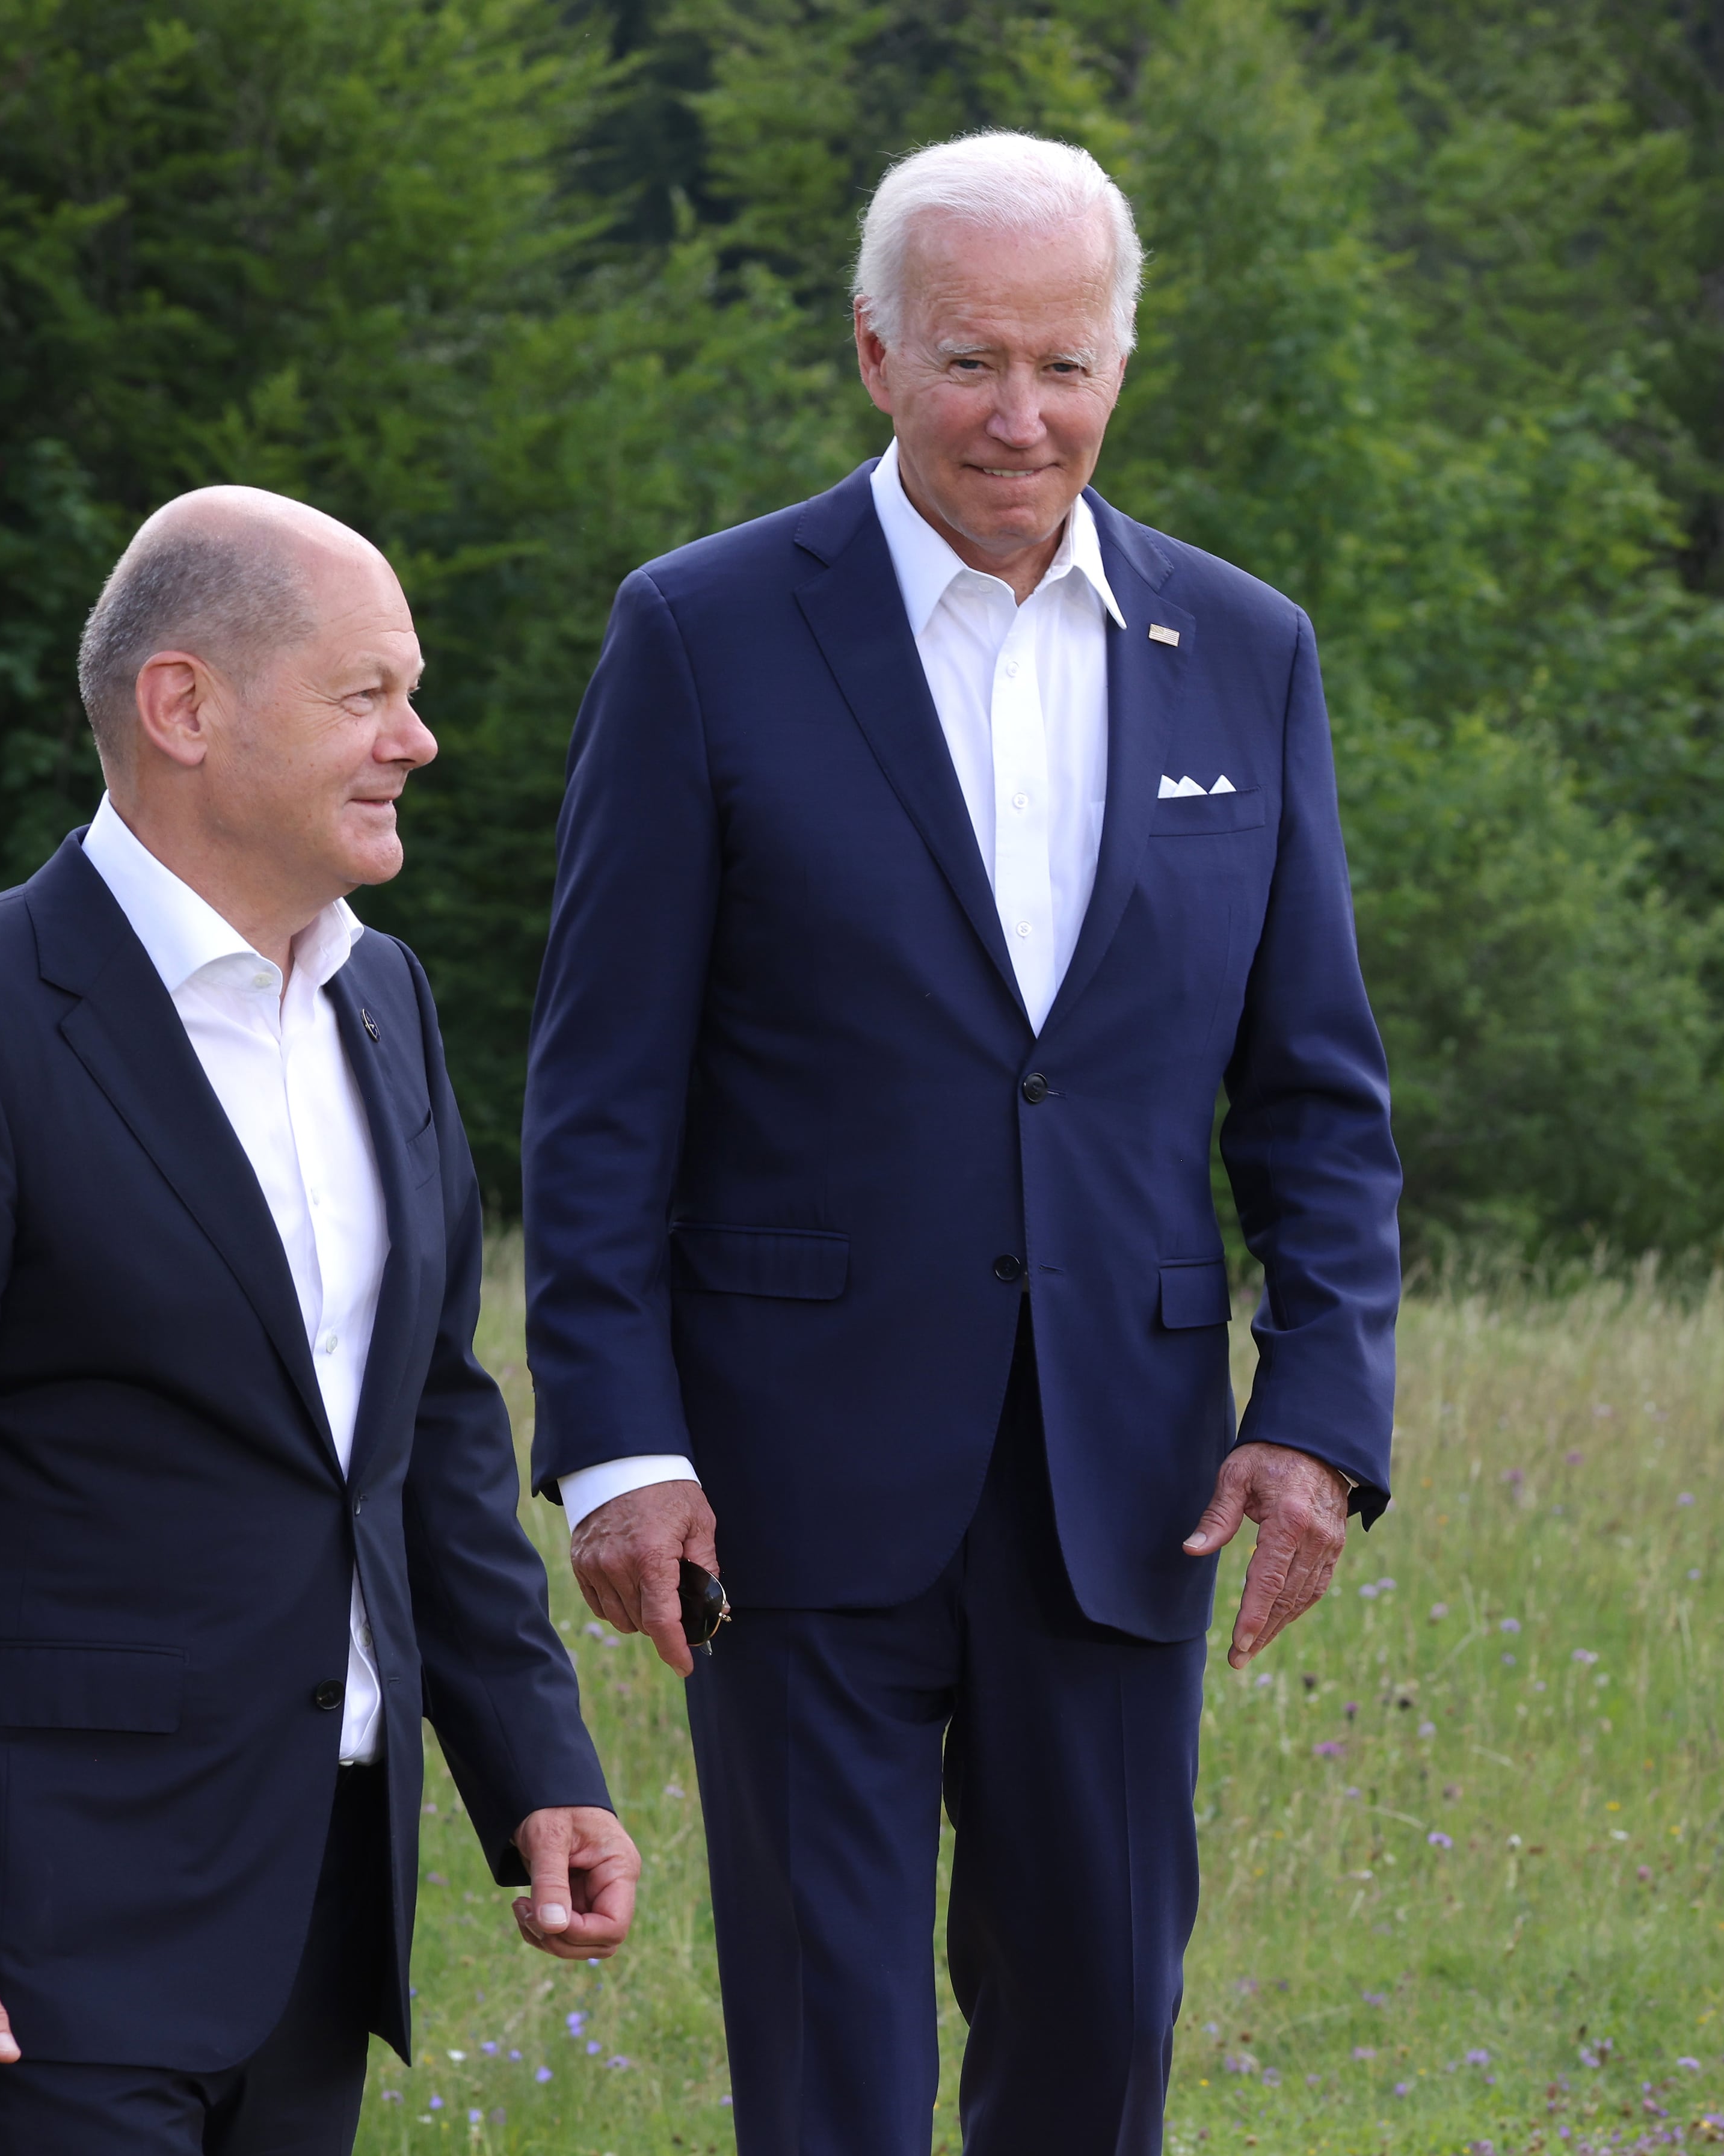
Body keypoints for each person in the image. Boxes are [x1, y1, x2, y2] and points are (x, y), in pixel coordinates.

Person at [523, 131, 1402, 2152]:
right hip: (780, 1469)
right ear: (873, 352)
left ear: (1121, 362)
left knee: (1100, 2018)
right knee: (829, 2047)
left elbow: (1318, 1097)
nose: (1023, 417)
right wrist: (619, 1440)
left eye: (1067, 364)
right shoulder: (704, 630)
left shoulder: (1246, 651)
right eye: (972, 360)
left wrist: (1322, 1413)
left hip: (1129, 1470)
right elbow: (600, 1090)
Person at [0, 486, 633, 2155]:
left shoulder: (388, 998)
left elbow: (425, 1424)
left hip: (320, 1884)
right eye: (369, 693)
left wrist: (535, 1769)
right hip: (50, 1907)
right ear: (185, 707)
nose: (417, 740)